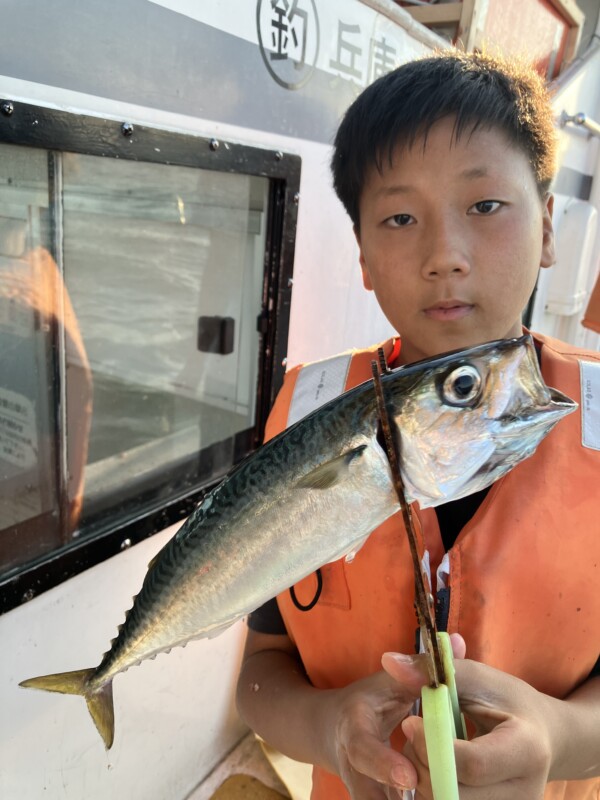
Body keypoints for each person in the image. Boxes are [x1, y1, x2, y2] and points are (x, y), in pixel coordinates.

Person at [236, 50, 600, 800]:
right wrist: (329, 725)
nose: (445, 257)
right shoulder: (306, 416)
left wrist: (558, 737)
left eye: (486, 206)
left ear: (549, 228)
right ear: (363, 257)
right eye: (400, 218)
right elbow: (259, 676)